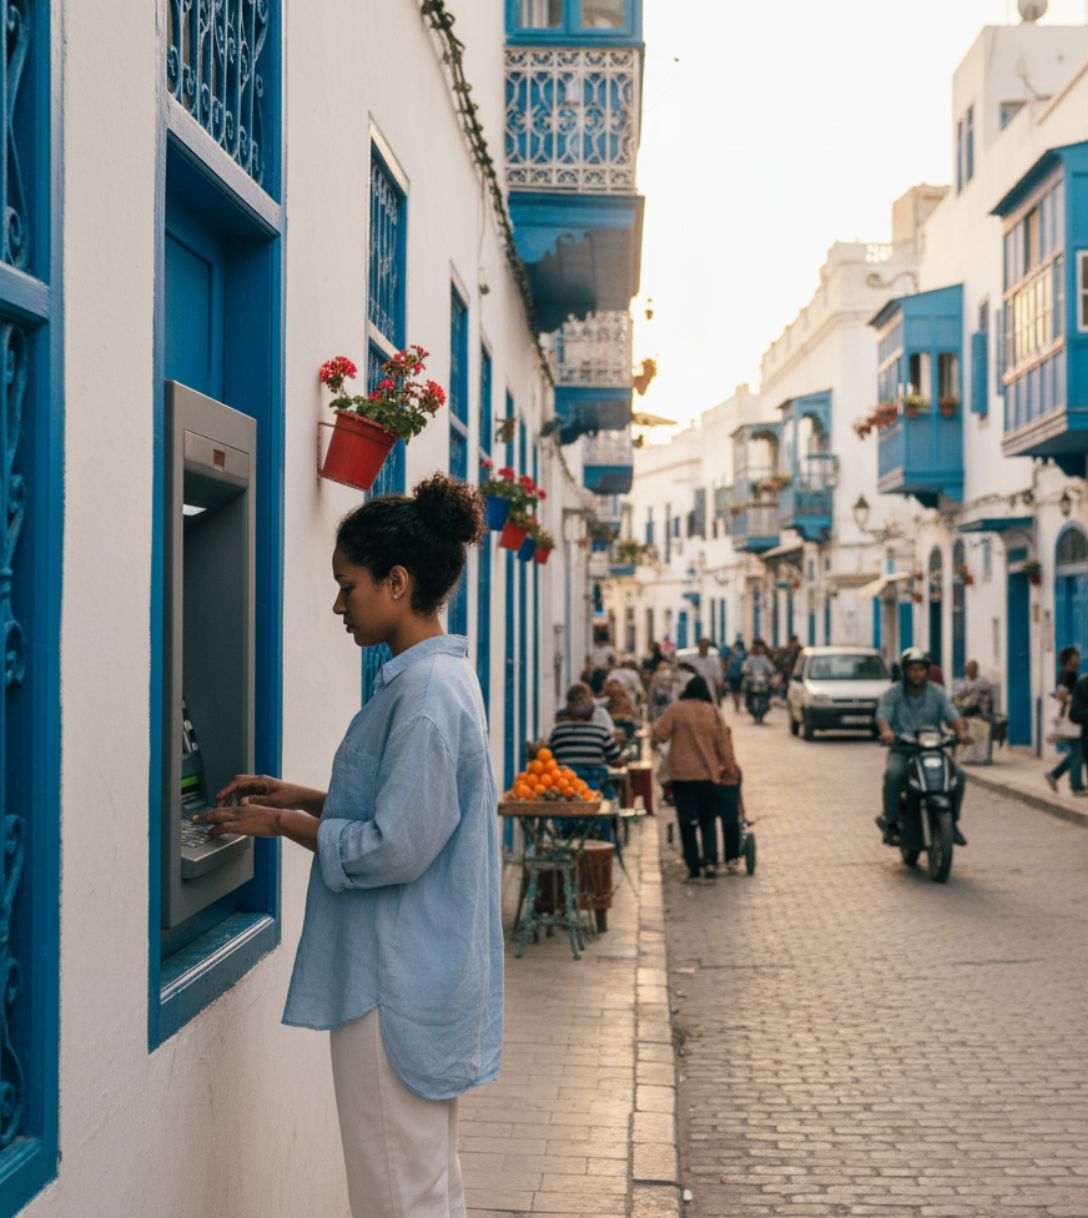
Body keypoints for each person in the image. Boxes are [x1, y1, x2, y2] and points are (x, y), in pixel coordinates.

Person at [196, 474, 501, 1218]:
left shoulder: (425, 698)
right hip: (415, 979)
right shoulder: (434, 681)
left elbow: (395, 846)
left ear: (397, 582)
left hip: (393, 989)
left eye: (348, 585)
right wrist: (299, 795)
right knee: (427, 1188)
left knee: (399, 1198)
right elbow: (411, 810)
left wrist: (281, 826)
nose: (339, 605)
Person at [875, 647, 971, 846]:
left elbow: (952, 715)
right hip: (903, 749)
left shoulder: (937, 693)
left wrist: (961, 733)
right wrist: (887, 732)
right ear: (905, 671)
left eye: (920, 669)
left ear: (927, 671)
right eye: (912, 669)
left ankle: (952, 823)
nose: (917, 673)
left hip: (932, 749)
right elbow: (883, 715)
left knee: (958, 776)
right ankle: (891, 823)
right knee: (893, 774)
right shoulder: (894, 693)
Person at [652, 675, 739, 880]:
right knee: (707, 819)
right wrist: (729, 767)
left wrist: (654, 737)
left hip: (682, 776)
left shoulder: (676, 709)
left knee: (686, 820)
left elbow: (660, 733)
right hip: (708, 775)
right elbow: (723, 743)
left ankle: (692, 865)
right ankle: (710, 862)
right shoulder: (713, 712)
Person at [549, 685, 623, 771]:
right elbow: (617, 761)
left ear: (570, 712)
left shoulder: (559, 731)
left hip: (566, 781)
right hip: (595, 782)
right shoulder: (601, 732)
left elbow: (549, 756)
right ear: (592, 714)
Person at [1048, 646, 1084, 795]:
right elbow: (1061, 695)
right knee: (1078, 752)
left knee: (1077, 751)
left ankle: (1055, 775)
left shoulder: (1069, 674)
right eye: (1076, 656)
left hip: (1074, 716)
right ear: (1069, 660)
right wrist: (1074, 700)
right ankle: (1076, 787)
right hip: (1071, 718)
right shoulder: (1068, 675)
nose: (1079, 659)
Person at [689, 638, 723, 703]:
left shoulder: (714, 660)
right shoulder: (693, 660)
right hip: (696, 690)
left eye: (705, 646)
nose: (703, 648)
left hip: (709, 689)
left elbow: (718, 678)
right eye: (701, 645)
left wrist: (719, 697)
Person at [725, 638, 747, 712]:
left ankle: (736, 704)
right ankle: (737, 704)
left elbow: (731, 663)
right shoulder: (742, 653)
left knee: (735, 691)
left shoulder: (737, 654)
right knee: (737, 691)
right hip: (737, 675)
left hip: (734, 675)